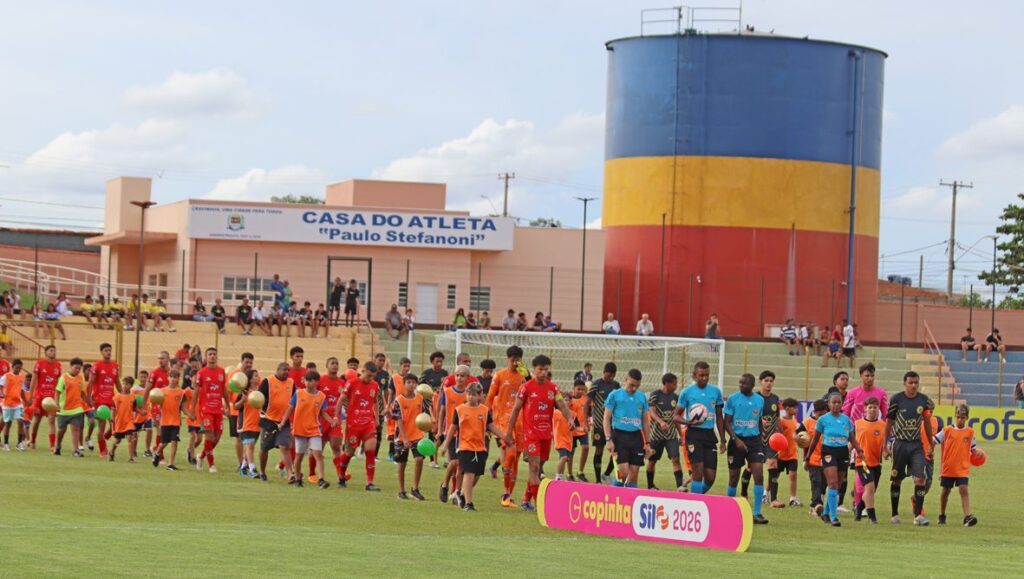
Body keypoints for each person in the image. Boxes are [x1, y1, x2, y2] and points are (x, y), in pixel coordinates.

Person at [505, 355, 575, 511]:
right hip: (531, 435)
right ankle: (539, 505)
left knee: (538, 468)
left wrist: (570, 418)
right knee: (534, 467)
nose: (543, 372)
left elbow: (562, 405)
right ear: (534, 369)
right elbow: (516, 409)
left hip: (546, 435)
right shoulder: (527, 387)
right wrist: (509, 432)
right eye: (540, 369)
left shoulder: (553, 388)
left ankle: (525, 499)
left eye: (546, 369)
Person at [884, 371, 935, 526]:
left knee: (921, 479)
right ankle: (894, 514)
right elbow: (889, 423)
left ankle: (918, 516)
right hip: (900, 444)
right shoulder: (896, 399)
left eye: (916, 383)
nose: (913, 386)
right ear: (904, 383)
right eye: (911, 383)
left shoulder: (923, 400)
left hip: (916, 445)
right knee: (897, 480)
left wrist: (931, 443)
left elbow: (926, 422)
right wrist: (885, 446)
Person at [807, 391, 861, 527]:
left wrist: (859, 450)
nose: (836, 405)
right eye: (833, 402)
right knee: (832, 483)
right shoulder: (823, 420)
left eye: (839, 402)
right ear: (828, 404)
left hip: (843, 452)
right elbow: (815, 439)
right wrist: (808, 456)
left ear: (842, 404)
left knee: (838, 484)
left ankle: (825, 512)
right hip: (828, 451)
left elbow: (852, 438)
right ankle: (833, 516)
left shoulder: (846, 420)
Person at [723, 373, 769, 525]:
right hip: (736, 440)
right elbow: (726, 422)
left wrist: (761, 438)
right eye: (740, 383)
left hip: (754, 441)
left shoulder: (759, 400)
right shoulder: (733, 399)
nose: (741, 385)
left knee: (759, 474)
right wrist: (735, 439)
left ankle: (757, 512)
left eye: (744, 384)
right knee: (734, 478)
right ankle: (729, 510)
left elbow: (759, 421)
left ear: (752, 385)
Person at [673, 361, 725, 495]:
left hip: (709, 435)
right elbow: (675, 416)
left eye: (707, 375)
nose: (705, 378)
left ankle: (693, 497)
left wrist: (723, 440)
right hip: (693, 435)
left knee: (710, 477)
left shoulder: (715, 392)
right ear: (694, 375)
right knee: (698, 471)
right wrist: (687, 422)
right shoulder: (687, 392)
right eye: (701, 375)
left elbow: (719, 416)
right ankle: (695, 503)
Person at [486, 346, 526, 507]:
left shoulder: (524, 375)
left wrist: (528, 375)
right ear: (508, 358)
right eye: (513, 359)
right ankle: (505, 493)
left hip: (521, 422)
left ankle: (508, 495)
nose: (515, 362)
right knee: (509, 455)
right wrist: (485, 416)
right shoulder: (500, 375)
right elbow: (490, 397)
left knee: (515, 458)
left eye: (518, 359)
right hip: (503, 421)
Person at [281, 371, 333, 489]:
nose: (307, 382)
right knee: (299, 456)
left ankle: (321, 479)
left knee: (318, 454)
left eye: (311, 380)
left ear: (316, 382)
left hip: (314, 429)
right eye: (306, 380)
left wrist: (331, 421)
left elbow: (322, 412)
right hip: (300, 430)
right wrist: (284, 421)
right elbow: (290, 408)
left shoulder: (321, 396)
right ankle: (298, 479)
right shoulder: (298, 393)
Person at [335, 362, 382, 491]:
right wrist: (336, 416)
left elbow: (375, 402)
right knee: (349, 453)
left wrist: (376, 418)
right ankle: (341, 475)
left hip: (368, 423)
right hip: (353, 424)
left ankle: (369, 482)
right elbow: (341, 399)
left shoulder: (375, 385)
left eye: (372, 377)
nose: (370, 379)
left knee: (370, 450)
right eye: (368, 376)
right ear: (363, 371)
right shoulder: (352, 383)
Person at [603, 368, 650, 488]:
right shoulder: (614, 395)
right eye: (632, 385)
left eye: (637, 386)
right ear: (626, 380)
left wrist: (648, 443)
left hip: (636, 437)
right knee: (623, 473)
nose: (634, 388)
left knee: (633, 475)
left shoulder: (641, 397)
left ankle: (630, 503)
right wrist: (608, 439)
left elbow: (645, 421)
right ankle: (612, 496)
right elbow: (606, 419)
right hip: (619, 436)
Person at [933, 404, 979, 526]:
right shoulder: (947, 430)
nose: (960, 420)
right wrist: (929, 450)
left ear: (967, 418)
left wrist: (978, 453)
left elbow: (973, 448)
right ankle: (942, 514)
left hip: (962, 468)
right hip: (948, 467)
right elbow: (934, 440)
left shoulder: (970, 432)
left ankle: (967, 517)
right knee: (946, 491)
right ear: (955, 416)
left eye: (963, 417)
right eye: (958, 417)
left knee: (964, 489)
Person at [437, 365, 471, 504]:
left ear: (468, 378)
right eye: (457, 375)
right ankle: (444, 485)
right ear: (454, 376)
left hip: (465, 433)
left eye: (463, 376)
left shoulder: (469, 394)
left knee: (462, 465)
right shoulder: (448, 392)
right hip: (451, 432)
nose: (459, 378)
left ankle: (456, 491)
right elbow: (442, 412)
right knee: (454, 461)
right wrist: (439, 429)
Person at [191, 348, 229, 473]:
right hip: (206, 409)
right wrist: (192, 410)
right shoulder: (201, 373)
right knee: (209, 435)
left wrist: (227, 406)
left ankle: (201, 456)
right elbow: (196, 391)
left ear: (217, 357)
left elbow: (224, 390)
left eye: (214, 354)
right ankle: (211, 464)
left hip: (218, 409)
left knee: (217, 438)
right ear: (206, 357)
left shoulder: (221, 371)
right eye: (210, 354)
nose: (212, 356)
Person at [257, 363, 296, 483]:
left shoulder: (291, 383)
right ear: (277, 369)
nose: (286, 372)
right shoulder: (267, 381)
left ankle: (291, 473)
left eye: (288, 370)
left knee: (284, 446)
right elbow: (259, 398)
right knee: (264, 448)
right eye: (284, 370)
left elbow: (294, 401)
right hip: (269, 420)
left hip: (284, 422)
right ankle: (263, 471)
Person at [646, 373, 683, 490]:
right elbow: (652, 412)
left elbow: (676, 418)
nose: (676, 385)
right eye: (674, 383)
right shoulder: (655, 395)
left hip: (671, 435)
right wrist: (661, 422)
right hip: (656, 435)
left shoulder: (675, 398)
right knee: (652, 461)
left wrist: (681, 435)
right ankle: (650, 486)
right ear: (667, 383)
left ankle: (680, 487)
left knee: (676, 459)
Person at [750, 371, 781, 507]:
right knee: (750, 467)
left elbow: (777, 419)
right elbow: (749, 416)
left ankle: (772, 498)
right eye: (766, 380)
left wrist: (781, 436)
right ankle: (744, 493)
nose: (769, 383)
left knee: (773, 465)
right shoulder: (755, 397)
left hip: (771, 439)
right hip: (756, 438)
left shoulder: (775, 399)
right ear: (760, 381)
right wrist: (759, 421)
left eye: (771, 381)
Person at [585, 362, 620, 484]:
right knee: (599, 450)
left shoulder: (616, 386)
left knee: (616, 450)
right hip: (599, 425)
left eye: (612, 376)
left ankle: (606, 474)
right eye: (608, 375)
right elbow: (587, 402)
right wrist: (585, 421)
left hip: (614, 425)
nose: (609, 378)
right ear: (603, 372)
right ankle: (598, 480)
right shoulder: (596, 384)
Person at [853, 396, 884, 523]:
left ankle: (859, 510)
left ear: (878, 409)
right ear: (865, 409)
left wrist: (887, 452)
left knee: (871, 490)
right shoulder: (857, 424)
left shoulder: (883, 425)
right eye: (870, 407)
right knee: (870, 487)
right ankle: (872, 517)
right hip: (862, 462)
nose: (872, 410)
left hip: (876, 462)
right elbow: (852, 441)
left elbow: (885, 443)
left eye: (875, 407)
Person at [151, 367, 188, 471]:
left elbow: (184, 408)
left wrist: (190, 414)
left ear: (178, 379)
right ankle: (157, 452)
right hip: (165, 421)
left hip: (176, 421)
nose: (173, 379)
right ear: (168, 378)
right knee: (164, 443)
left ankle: (170, 464)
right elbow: (156, 402)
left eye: (175, 377)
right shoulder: (161, 392)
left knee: (174, 441)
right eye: (171, 376)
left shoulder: (181, 392)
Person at [87, 342, 119, 458]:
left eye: (110, 350)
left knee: (114, 423)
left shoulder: (115, 365)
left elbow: (117, 382)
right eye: (106, 350)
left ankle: (106, 435)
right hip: (99, 400)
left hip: (111, 399)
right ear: (101, 352)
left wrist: (123, 396)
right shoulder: (97, 366)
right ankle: (102, 450)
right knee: (101, 424)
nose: (108, 352)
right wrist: (90, 398)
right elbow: (90, 383)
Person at [798, 398, 828, 514]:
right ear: (814, 412)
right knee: (816, 482)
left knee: (824, 483)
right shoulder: (807, 423)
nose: (821, 416)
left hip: (827, 458)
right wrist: (799, 439)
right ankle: (816, 505)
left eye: (823, 414)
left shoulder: (829, 422)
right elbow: (796, 436)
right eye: (819, 414)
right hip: (812, 458)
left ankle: (817, 503)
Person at [30, 345, 61, 450]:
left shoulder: (58, 365)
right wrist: (31, 396)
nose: (54, 352)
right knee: (37, 420)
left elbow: (58, 383)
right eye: (51, 350)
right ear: (46, 353)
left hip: (52, 397)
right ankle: (32, 441)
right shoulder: (39, 364)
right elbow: (33, 381)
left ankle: (52, 445)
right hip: (40, 397)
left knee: (52, 420)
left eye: (55, 351)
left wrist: (58, 400)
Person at [54, 357, 86, 456]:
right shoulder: (63, 378)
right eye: (76, 368)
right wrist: (57, 404)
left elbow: (82, 392)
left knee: (76, 429)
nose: (77, 370)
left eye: (79, 368)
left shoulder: (80, 378)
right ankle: (58, 446)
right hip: (64, 409)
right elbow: (57, 392)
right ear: (71, 366)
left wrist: (89, 401)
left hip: (76, 409)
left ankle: (75, 450)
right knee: (61, 430)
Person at [235, 369, 262, 478]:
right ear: (249, 380)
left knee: (250, 447)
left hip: (258, 424)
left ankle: (243, 467)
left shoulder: (260, 392)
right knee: (250, 446)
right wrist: (243, 400)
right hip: (247, 424)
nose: (258, 377)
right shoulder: (244, 392)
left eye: (258, 375)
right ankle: (252, 469)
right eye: (255, 376)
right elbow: (235, 406)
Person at [776, 398, 801, 507]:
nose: (796, 410)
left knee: (793, 475)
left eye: (797, 407)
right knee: (775, 475)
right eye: (794, 408)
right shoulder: (780, 421)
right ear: (786, 409)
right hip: (781, 454)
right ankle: (765, 494)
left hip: (792, 454)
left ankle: (793, 498)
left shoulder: (796, 422)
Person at [108, 376, 138, 462]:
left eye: (127, 384)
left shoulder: (133, 397)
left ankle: (131, 458)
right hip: (119, 421)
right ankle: (112, 452)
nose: (124, 386)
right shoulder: (117, 397)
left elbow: (134, 408)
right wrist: (112, 417)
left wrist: (140, 411)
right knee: (117, 440)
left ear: (131, 386)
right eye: (123, 384)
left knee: (130, 437)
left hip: (129, 421)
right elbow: (113, 409)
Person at [0, 359, 28, 450]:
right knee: (8, 423)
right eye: (16, 368)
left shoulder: (22, 377)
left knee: (20, 421)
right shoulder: (6, 376)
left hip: (18, 404)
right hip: (7, 403)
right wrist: (1, 393)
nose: (18, 369)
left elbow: (22, 391)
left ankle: (19, 443)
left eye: (20, 368)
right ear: (12, 367)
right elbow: (1, 385)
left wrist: (26, 400)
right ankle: (6, 444)